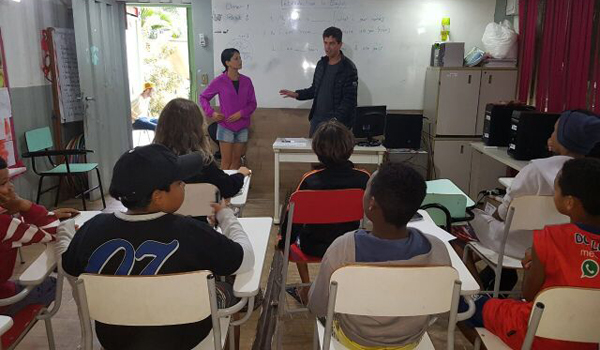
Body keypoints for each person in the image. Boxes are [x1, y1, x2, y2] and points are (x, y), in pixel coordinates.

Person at [61, 144, 254, 350]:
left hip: (115, 339)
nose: (184, 186)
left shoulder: (93, 229)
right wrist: (225, 214)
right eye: (180, 182)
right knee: (228, 288)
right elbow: (246, 258)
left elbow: (68, 264)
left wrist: (65, 229)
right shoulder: (191, 232)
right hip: (183, 337)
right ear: (158, 196)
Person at [308, 162, 451, 349]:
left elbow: (317, 305)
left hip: (354, 340)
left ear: (371, 203)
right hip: (410, 342)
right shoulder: (437, 249)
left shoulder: (343, 248)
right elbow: (439, 308)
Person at [461, 158, 600, 350]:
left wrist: (531, 263)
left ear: (569, 203)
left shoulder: (550, 238)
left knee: (464, 306)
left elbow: (529, 293)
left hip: (539, 332)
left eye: (556, 188)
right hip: (590, 339)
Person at [470, 110, 600, 260]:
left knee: (470, 219)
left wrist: (489, 217)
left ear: (565, 139)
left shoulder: (535, 170)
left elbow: (504, 212)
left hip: (513, 244)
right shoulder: (591, 177)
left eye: (555, 131)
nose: (551, 135)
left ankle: (483, 279)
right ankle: (500, 277)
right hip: (558, 248)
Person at [278, 120, 370, 303]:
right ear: (350, 147)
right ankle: (344, 286)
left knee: (291, 237)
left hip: (313, 245)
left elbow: (292, 222)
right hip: (349, 246)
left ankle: (306, 288)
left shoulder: (310, 180)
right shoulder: (364, 178)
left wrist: (282, 241)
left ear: (317, 150)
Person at [0, 156, 78, 316]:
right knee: (51, 285)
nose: (10, 187)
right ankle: (9, 321)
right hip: (2, 298)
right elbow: (53, 232)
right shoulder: (4, 223)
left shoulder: (7, 224)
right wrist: (24, 205)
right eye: (3, 183)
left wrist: (50, 215)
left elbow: (19, 229)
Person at [154, 98, 251, 199]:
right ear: (198, 128)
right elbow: (228, 188)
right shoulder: (201, 163)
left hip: (161, 214)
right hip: (197, 214)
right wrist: (240, 174)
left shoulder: (153, 159)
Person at [279, 26, 358, 137]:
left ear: (340, 44)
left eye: (332, 43)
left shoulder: (348, 68)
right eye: (325, 43)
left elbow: (349, 100)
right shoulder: (321, 64)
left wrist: (335, 120)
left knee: (333, 154)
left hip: (336, 123)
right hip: (317, 121)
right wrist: (297, 94)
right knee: (314, 153)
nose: (327, 47)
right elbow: (315, 89)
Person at [200, 48, 257, 170]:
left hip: (242, 126)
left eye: (240, 57)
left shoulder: (247, 81)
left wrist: (241, 113)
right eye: (236, 58)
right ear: (227, 63)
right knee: (226, 162)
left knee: (237, 161)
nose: (240, 60)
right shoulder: (219, 81)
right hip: (226, 126)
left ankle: (233, 187)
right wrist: (212, 113)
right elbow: (203, 97)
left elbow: (252, 104)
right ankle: (224, 188)